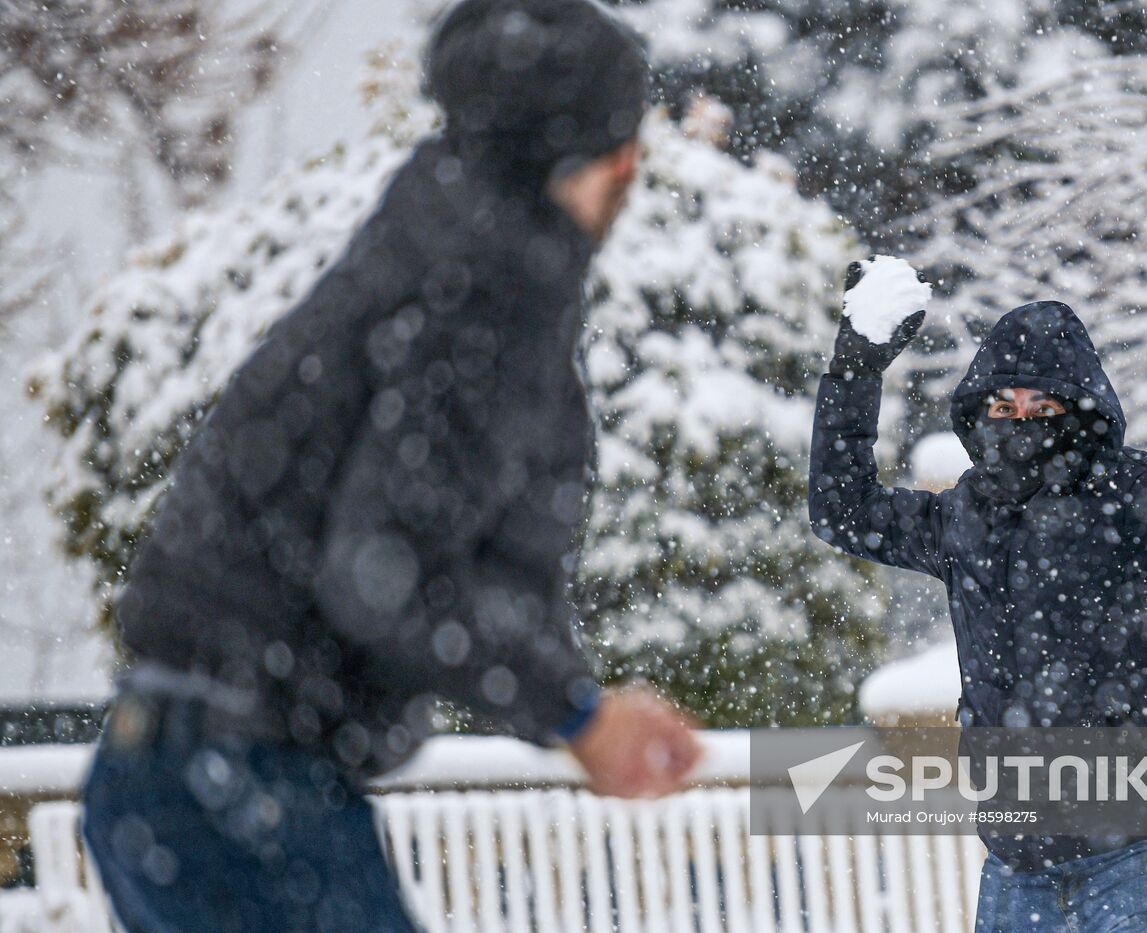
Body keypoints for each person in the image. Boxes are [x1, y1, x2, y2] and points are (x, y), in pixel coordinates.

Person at [81, 0, 701, 929]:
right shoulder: (494, 284)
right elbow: (383, 569)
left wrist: (577, 700)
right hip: (244, 783)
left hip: (159, 768)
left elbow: (427, 543)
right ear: (603, 156)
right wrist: (577, 717)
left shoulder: (427, 235)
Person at [808, 268, 1147, 932]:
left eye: (1042, 408)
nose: (1020, 422)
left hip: (1144, 843)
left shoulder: (1140, 498)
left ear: (1081, 412)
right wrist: (854, 371)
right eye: (1003, 408)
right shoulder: (967, 517)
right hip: (1017, 859)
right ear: (979, 416)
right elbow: (842, 508)